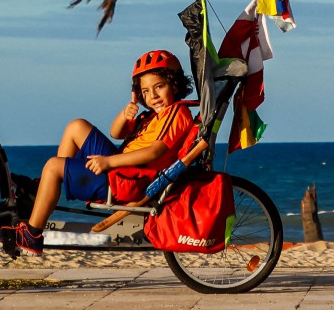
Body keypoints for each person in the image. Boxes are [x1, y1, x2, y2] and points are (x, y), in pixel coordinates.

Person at [12, 50, 197, 256]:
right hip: (122, 169)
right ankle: (40, 192)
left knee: (53, 167)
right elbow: (115, 133)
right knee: (76, 126)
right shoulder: (152, 116)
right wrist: (126, 113)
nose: (152, 96)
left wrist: (109, 162)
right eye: (145, 91)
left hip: (128, 181)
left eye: (159, 87)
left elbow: (155, 152)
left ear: (175, 84)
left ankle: (32, 235)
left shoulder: (177, 113)